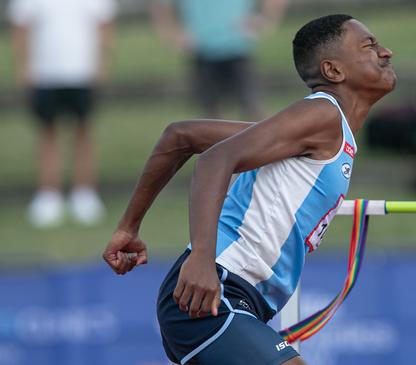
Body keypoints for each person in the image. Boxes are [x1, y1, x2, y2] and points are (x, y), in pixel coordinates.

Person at [102, 14, 396, 365]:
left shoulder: (303, 130)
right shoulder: (322, 116)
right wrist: (202, 258)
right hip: (215, 292)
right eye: (370, 46)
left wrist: (128, 228)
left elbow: (181, 136)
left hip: (236, 300)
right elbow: (213, 161)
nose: (386, 52)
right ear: (333, 71)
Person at [8, 0, 116, 228]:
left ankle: (84, 193)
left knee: (83, 132)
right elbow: (20, 27)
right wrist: (23, 67)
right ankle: (49, 194)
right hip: (44, 74)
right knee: (47, 133)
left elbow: (105, 25)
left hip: (82, 72)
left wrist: (102, 64)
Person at [150, 0, 287, 120]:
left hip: (238, 47)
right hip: (201, 49)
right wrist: (170, 33)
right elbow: (159, 5)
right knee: (210, 117)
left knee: (254, 111)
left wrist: (267, 18)